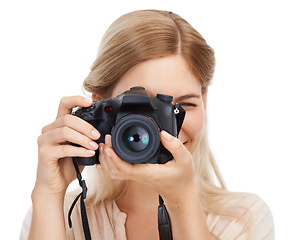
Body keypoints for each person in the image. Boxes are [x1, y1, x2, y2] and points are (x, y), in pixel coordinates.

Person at [20, 9, 274, 240]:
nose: (165, 131)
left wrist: (182, 201)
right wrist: (48, 193)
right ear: (99, 104)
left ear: (205, 102)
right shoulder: (58, 214)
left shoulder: (244, 220)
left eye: (184, 106)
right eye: (145, 108)